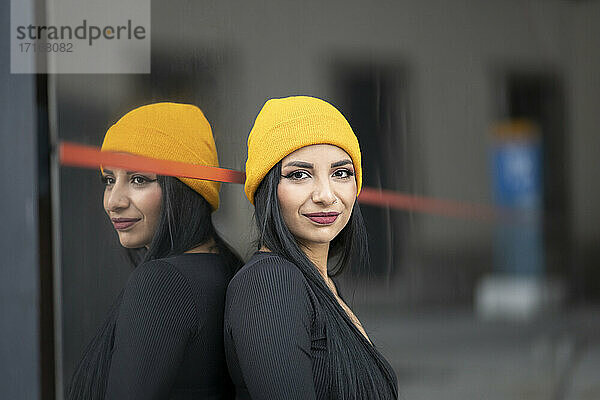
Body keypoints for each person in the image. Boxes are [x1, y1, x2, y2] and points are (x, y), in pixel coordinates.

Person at [224, 96, 398, 399]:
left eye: (340, 173)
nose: (325, 195)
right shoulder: (270, 283)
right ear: (267, 189)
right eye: (299, 175)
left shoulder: (322, 282)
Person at [67, 102, 240, 400]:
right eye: (109, 180)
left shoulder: (161, 281)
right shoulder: (225, 268)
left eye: (139, 179)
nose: (114, 201)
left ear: (186, 188)